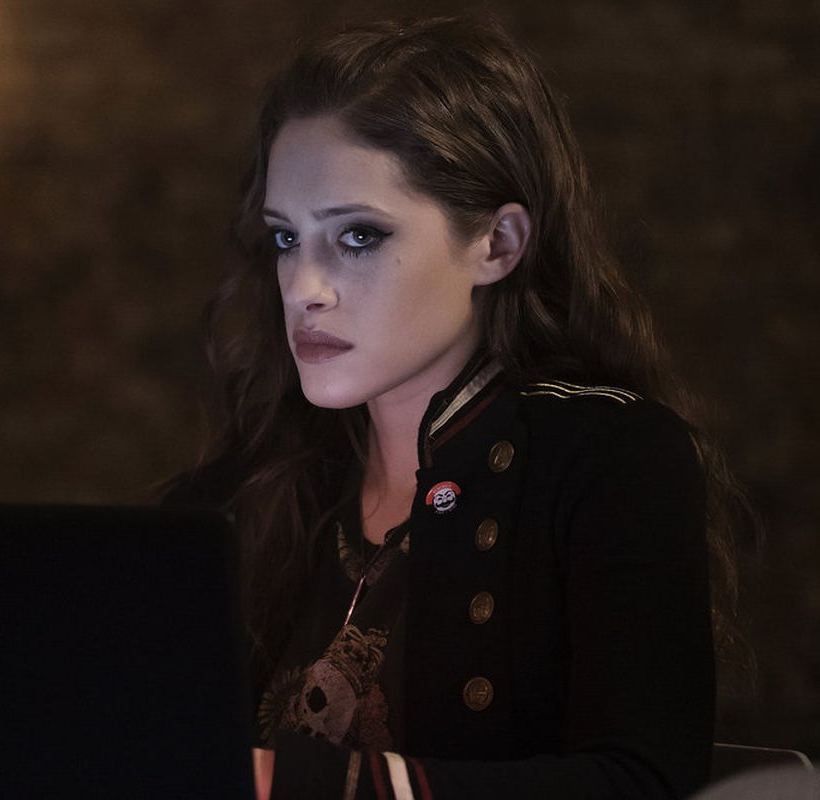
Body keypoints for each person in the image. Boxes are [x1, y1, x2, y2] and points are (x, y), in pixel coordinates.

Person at [162, 15, 746, 799]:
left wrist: (290, 784)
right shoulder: (238, 493)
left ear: (498, 244)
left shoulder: (610, 458)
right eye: (285, 239)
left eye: (358, 236)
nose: (303, 287)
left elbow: (643, 782)